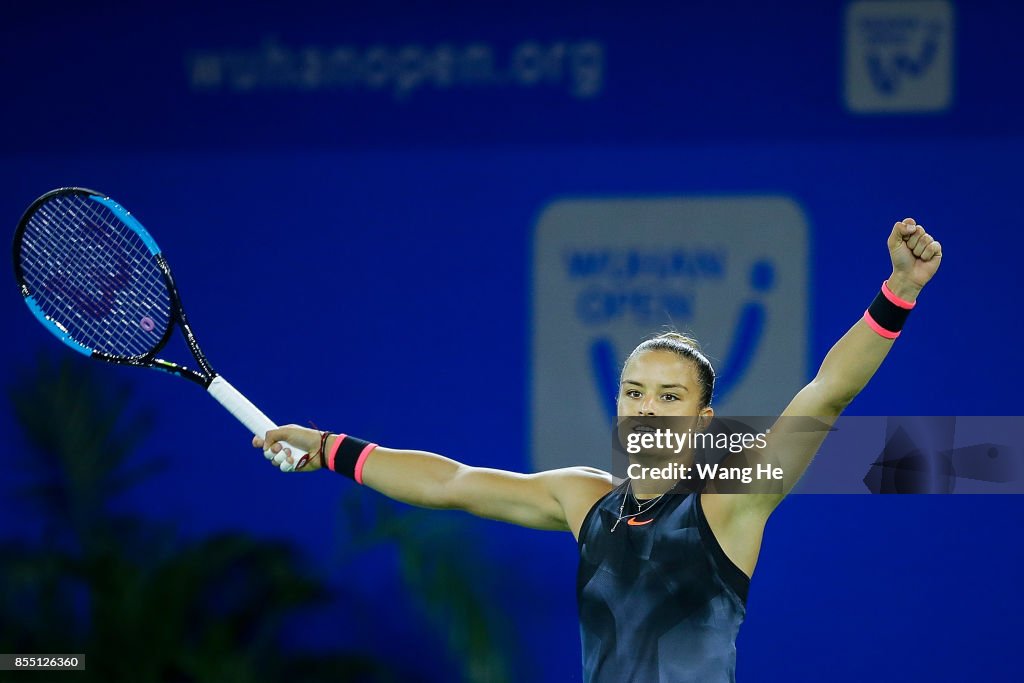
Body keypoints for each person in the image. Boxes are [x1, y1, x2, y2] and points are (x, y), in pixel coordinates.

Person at [254, 219, 942, 682]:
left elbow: (823, 396)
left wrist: (898, 293)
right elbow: (451, 482)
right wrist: (330, 447)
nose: (646, 407)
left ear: (703, 420)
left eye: (669, 397)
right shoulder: (585, 498)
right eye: (633, 390)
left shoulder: (730, 500)